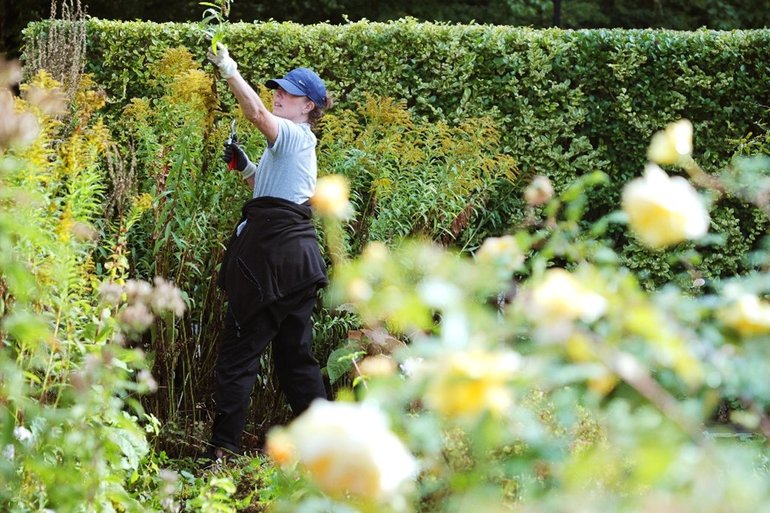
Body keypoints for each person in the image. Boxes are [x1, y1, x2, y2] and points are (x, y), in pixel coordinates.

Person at [205, 43, 332, 461]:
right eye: (276, 89)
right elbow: (273, 195)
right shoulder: (295, 146)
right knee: (296, 363)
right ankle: (328, 450)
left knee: (239, 357)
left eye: (288, 94)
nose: (277, 95)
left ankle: (222, 453)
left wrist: (228, 69)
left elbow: (256, 114)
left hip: (270, 268)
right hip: (298, 266)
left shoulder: (294, 135)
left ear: (306, 106)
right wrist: (245, 168)